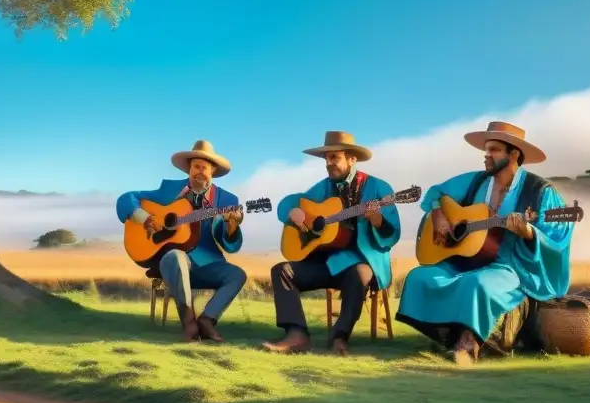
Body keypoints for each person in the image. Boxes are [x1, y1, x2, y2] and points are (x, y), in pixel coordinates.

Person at [395, 121, 576, 365]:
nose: (486, 156)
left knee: (477, 283)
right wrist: (438, 217)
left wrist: (529, 232)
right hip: (468, 259)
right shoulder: (476, 181)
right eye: (486, 150)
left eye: (493, 150)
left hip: (512, 266)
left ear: (513, 154)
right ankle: (448, 334)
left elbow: (557, 233)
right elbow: (436, 193)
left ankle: (467, 347)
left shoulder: (541, 192)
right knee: (420, 277)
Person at [262, 131, 401, 356]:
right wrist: (295, 213)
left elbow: (392, 234)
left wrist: (377, 220)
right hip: (327, 264)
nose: (328, 164)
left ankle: (340, 337)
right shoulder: (323, 187)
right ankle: (296, 334)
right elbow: (285, 205)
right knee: (282, 271)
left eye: (334, 157)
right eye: (326, 159)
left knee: (359, 273)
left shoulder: (378, 188)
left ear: (351, 159)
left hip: (363, 263)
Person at [116, 140, 247, 342]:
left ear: (213, 170)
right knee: (175, 257)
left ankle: (208, 319)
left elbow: (230, 242)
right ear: (189, 169)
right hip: (174, 264)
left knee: (237, 275)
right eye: (196, 166)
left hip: (208, 264)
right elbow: (126, 198)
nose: (200, 172)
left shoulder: (227, 200)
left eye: (205, 167)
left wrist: (232, 226)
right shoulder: (168, 190)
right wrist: (144, 218)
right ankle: (189, 323)